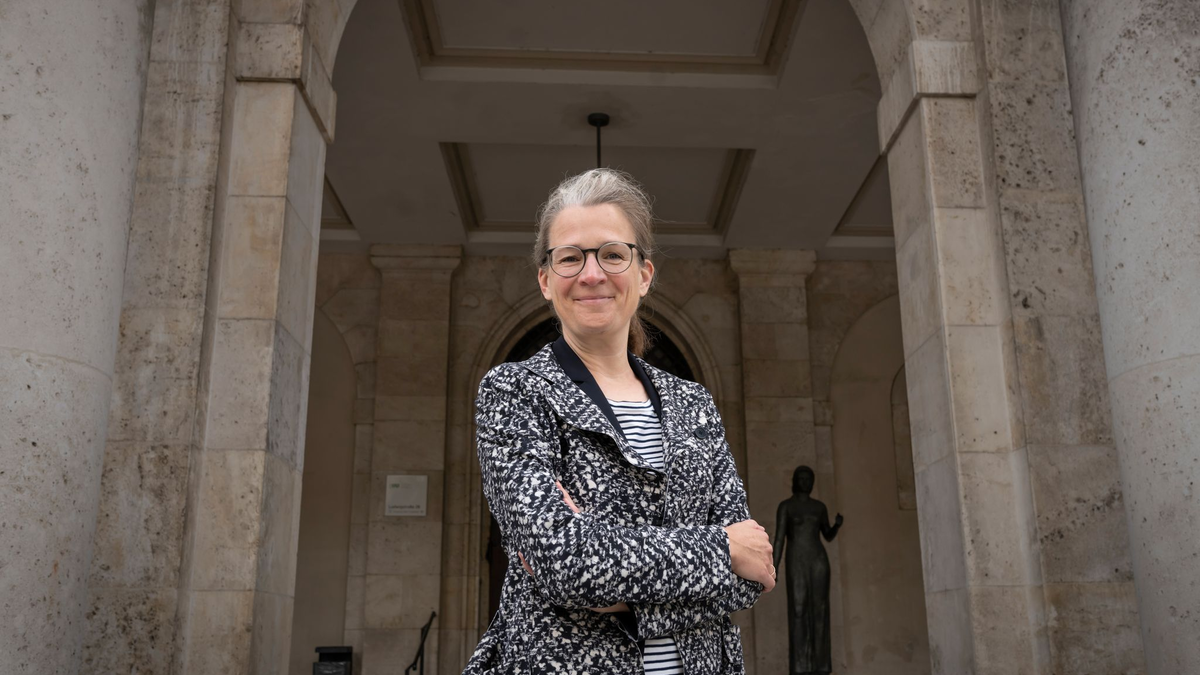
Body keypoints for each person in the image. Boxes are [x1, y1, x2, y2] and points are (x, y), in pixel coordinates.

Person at [463, 169, 775, 675]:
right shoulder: (513, 392)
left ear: (644, 274)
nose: (592, 274)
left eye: (612, 254)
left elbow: (754, 571)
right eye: (570, 257)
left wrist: (609, 574)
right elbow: (564, 564)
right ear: (546, 280)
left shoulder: (692, 403)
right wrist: (719, 550)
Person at [772, 466, 843, 675]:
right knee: (798, 609)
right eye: (801, 478)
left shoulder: (819, 507)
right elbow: (778, 539)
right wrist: (772, 569)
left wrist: (837, 526)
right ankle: (800, 667)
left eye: (808, 479)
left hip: (818, 561)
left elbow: (827, 534)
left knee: (820, 610)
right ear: (795, 481)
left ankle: (822, 666)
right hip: (797, 561)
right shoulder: (786, 506)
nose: (804, 482)